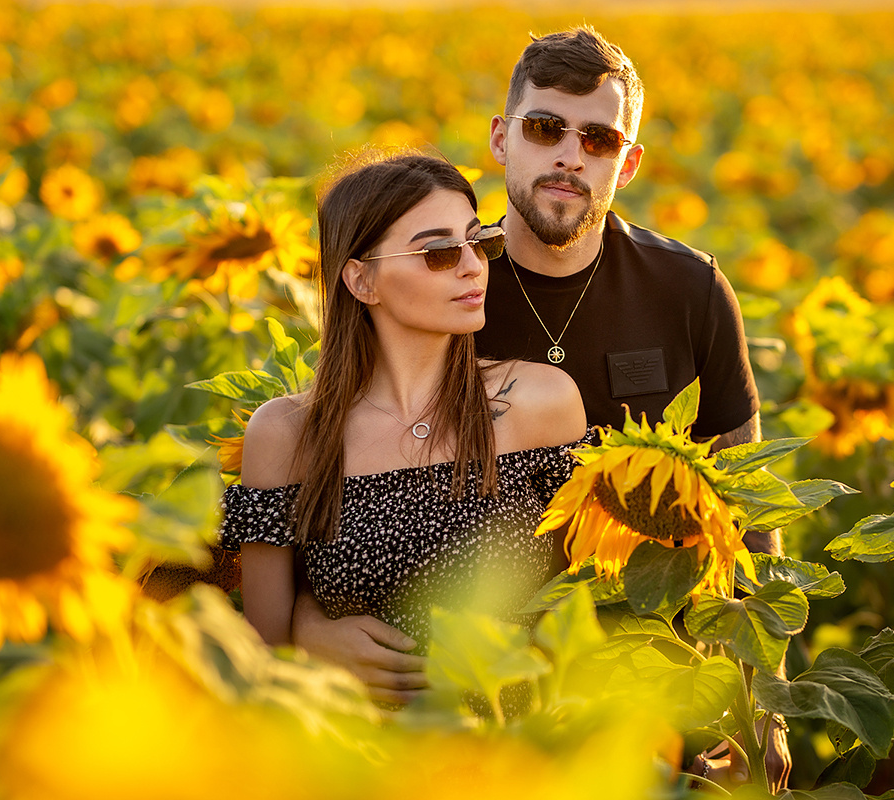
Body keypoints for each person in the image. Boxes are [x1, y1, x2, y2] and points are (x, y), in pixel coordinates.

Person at [292, 28, 789, 788]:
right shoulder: (440, 283)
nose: (569, 155)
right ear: (502, 138)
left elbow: (746, 502)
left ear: (627, 162)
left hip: (652, 674)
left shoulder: (688, 289)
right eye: (545, 128)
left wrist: (764, 701)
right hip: (471, 695)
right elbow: (339, 470)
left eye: (598, 138)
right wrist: (306, 625)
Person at [220, 151, 586, 657]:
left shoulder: (542, 403)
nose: (472, 266)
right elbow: (263, 658)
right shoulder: (287, 433)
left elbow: (585, 609)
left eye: (481, 242)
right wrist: (313, 645)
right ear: (361, 280)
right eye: (439, 252)